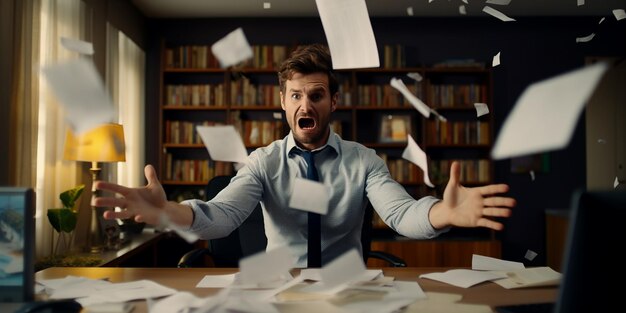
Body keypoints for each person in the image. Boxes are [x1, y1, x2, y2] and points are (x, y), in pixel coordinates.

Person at [93, 44, 515, 268]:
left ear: (333, 101)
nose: (305, 105)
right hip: (277, 288)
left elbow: (402, 214)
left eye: (316, 95)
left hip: (346, 289)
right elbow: (221, 216)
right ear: (283, 103)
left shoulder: (363, 160)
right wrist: (168, 211)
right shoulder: (264, 161)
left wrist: (442, 213)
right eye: (295, 96)